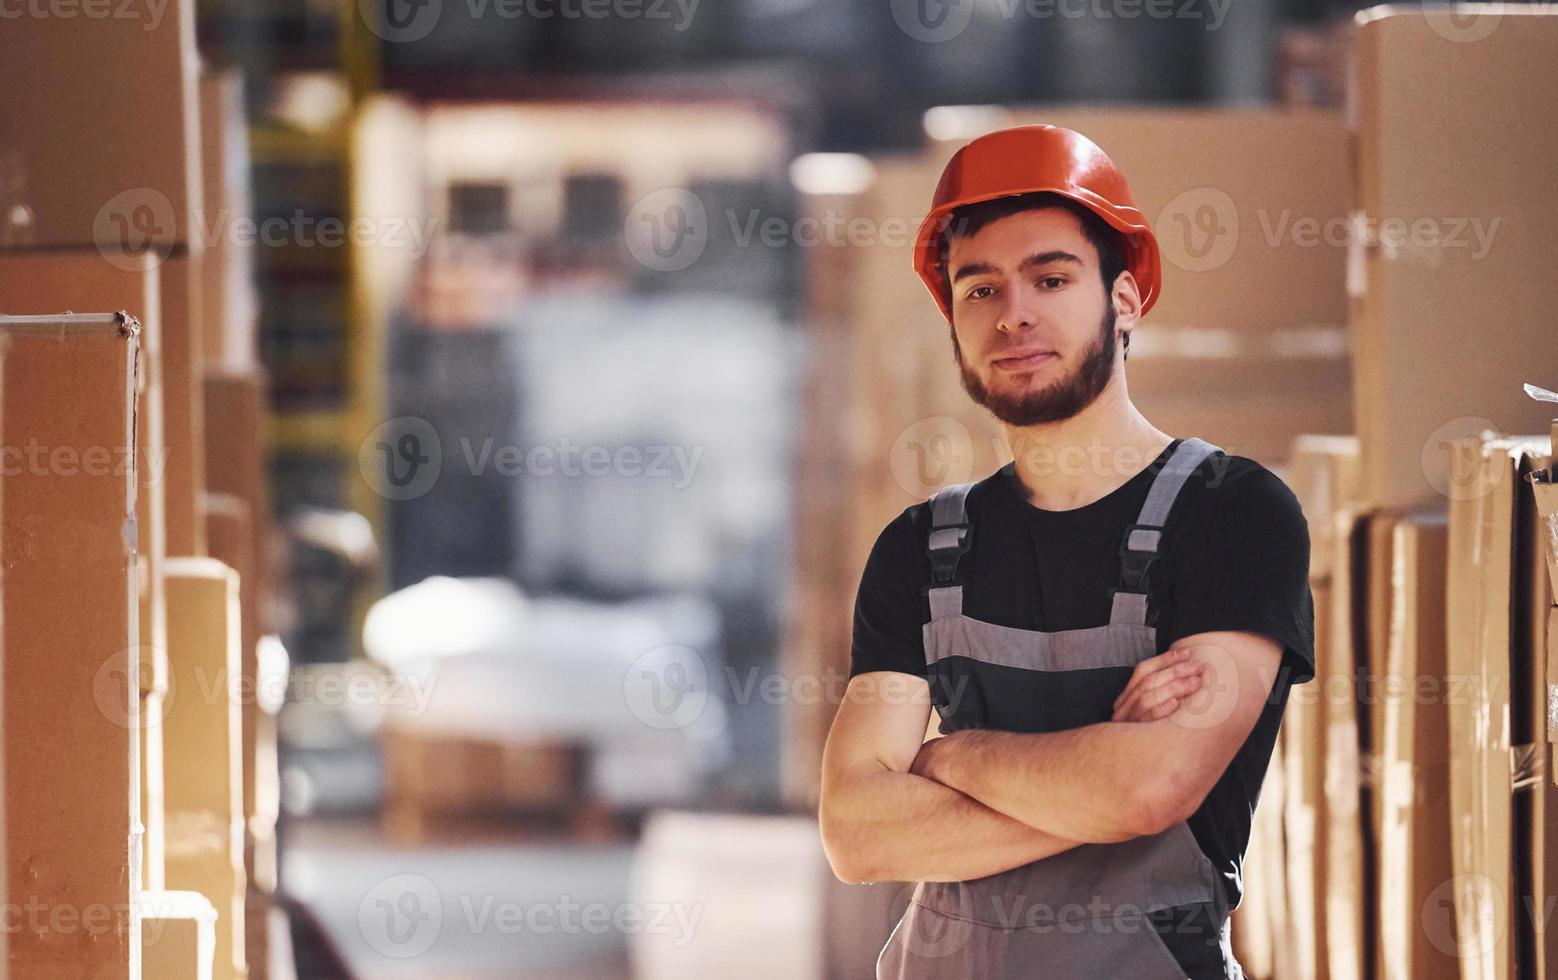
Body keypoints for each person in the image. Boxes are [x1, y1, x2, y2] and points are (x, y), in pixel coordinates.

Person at [817, 125, 1316, 979]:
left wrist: (950, 758)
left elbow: (1150, 790)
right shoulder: (920, 550)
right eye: (980, 290)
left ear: (1125, 299)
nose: (1014, 312)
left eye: (1051, 278)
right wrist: (1102, 785)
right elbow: (857, 834)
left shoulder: (1233, 515)